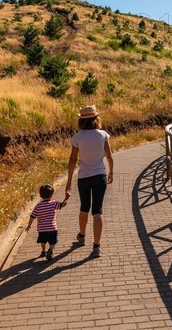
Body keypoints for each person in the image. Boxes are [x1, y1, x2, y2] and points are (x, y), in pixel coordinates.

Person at [65, 105, 113, 258]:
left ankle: (82, 236)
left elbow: (73, 160)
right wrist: (111, 171)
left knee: (84, 207)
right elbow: (109, 156)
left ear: (81, 120)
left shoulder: (77, 137)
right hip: (100, 176)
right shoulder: (102, 135)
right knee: (97, 210)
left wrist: (68, 182)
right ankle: (97, 246)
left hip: (83, 176)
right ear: (96, 118)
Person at [25, 183, 68, 261]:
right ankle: (50, 250)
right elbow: (62, 205)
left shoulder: (38, 206)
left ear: (40, 195)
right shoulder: (53, 203)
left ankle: (43, 251)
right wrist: (66, 198)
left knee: (43, 241)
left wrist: (29, 225)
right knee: (53, 242)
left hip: (42, 229)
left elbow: (32, 216)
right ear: (51, 195)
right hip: (52, 228)